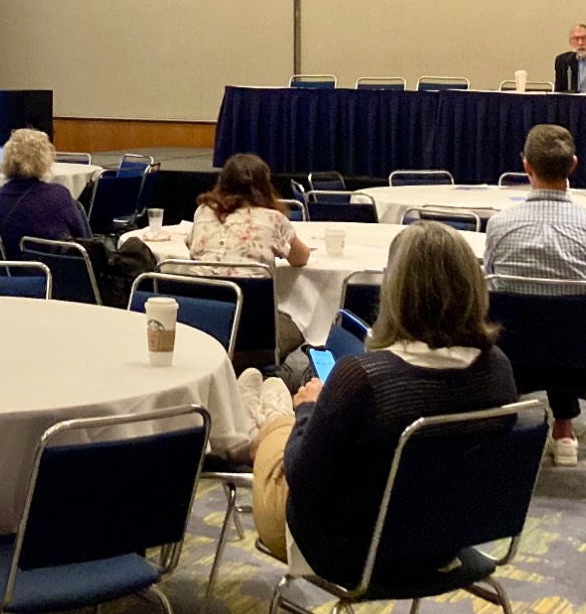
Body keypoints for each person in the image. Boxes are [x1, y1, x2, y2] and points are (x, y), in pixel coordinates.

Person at [244, 220, 517, 585]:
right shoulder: (498, 370)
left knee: (278, 426)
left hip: (344, 552)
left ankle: (262, 414)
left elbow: (302, 481)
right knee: (290, 411)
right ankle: (265, 403)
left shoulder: (364, 378)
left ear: (396, 290)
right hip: (443, 544)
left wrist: (308, 410)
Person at [483, 123, 586, 466]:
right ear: (573, 165)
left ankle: (509, 433)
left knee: (535, 318)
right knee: (565, 320)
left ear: (525, 166)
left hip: (512, 362)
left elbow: (491, 292)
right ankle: (565, 432)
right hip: (581, 365)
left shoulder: (499, 225)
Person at [187, 153, 313, 367]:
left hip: (201, 332)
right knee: (303, 319)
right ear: (265, 185)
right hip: (256, 340)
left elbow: (191, 247)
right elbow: (301, 258)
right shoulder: (273, 219)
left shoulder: (203, 212)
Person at [0, 128, 89, 256]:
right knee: (79, 207)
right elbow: (81, 237)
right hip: (53, 270)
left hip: (9, 270)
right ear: (44, 160)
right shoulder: (59, 195)